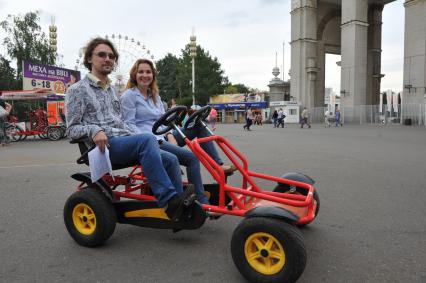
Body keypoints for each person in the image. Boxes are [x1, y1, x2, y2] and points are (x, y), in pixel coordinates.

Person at [65, 38, 194, 221]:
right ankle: (169, 201)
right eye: (101, 55)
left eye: (111, 56)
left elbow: (121, 122)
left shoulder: (111, 91)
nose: (107, 59)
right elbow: (71, 129)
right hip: (104, 147)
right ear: (89, 59)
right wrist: (94, 130)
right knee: (147, 139)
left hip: (124, 139)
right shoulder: (77, 90)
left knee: (171, 159)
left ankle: (180, 210)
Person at [120, 59, 235, 204]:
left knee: (197, 124)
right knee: (192, 158)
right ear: (134, 75)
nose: (145, 75)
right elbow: (128, 125)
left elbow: (163, 120)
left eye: (148, 72)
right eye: (141, 72)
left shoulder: (155, 96)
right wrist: (151, 139)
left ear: (153, 75)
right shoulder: (129, 96)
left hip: (163, 135)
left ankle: (217, 165)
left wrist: (169, 135)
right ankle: (202, 201)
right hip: (148, 141)